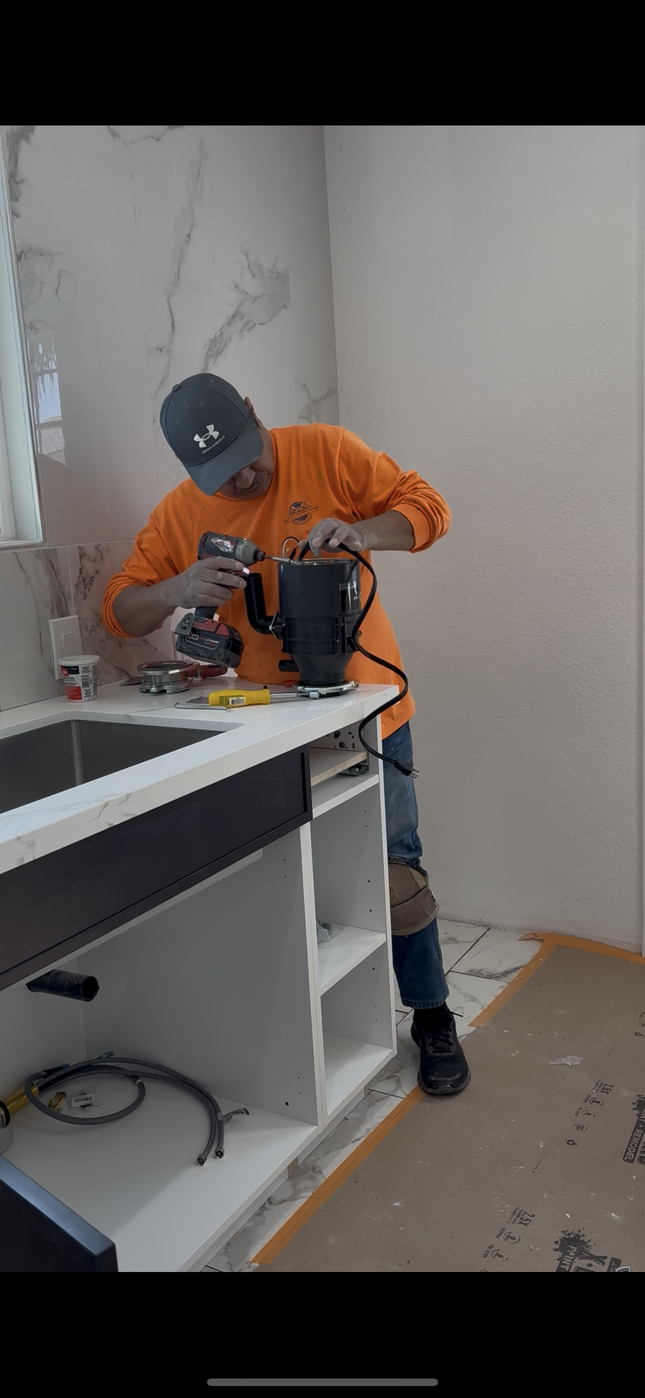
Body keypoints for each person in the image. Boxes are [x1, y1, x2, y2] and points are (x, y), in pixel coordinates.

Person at [102, 374, 470, 1095]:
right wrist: (176, 591)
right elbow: (120, 610)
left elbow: (430, 510)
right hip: (261, 725)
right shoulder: (179, 513)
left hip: (363, 708)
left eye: (247, 455)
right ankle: (305, 1024)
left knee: (394, 866)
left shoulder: (326, 452)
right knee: (281, 875)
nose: (243, 477)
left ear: (252, 410)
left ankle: (431, 1016)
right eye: (220, 473)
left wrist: (360, 532)